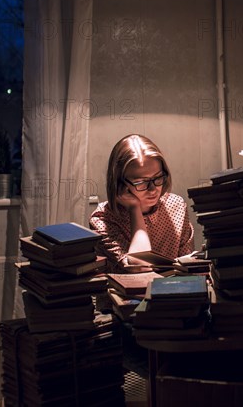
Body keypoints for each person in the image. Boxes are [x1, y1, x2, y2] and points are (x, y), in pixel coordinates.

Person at [89, 134, 195, 377]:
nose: (152, 189)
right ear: (120, 183)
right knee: (169, 366)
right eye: (140, 182)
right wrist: (135, 210)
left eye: (158, 178)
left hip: (170, 309)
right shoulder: (103, 218)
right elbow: (138, 267)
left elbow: (185, 266)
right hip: (124, 318)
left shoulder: (176, 205)